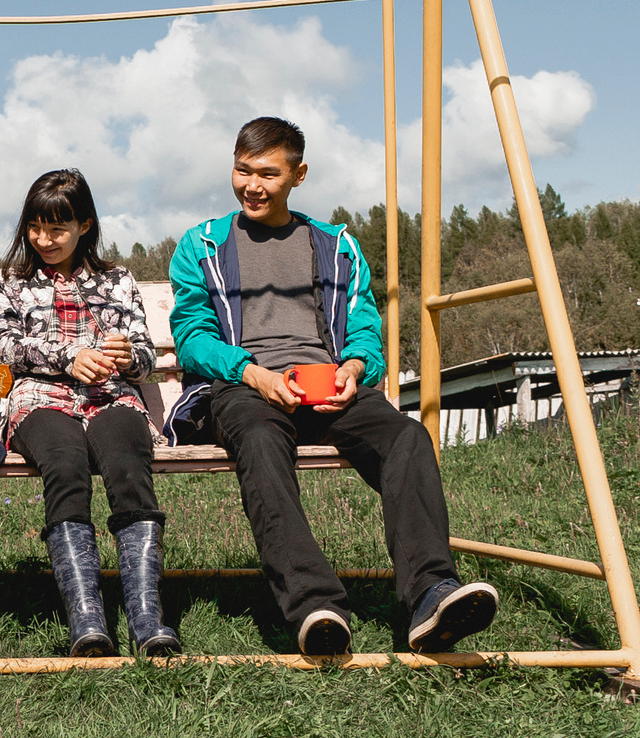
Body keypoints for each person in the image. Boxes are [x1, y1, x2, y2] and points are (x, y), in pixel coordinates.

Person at [166, 116, 497, 656]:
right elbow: (192, 334)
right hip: (246, 385)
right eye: (241, 170)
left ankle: (431, 592)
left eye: (267, 174)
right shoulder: (202, 245)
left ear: (299, 175)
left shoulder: (334, 244)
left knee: (406, 438)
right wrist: (253, 373)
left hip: (328, 385)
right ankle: (314, 605)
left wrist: (355, 369)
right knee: (259, 439)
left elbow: (364, 324)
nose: (251, 185)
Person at [0, 169, 177, 658]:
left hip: (111, 396)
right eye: (35, 227)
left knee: (128, 466)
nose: (44, 240)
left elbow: (145, 354)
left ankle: (146, 616)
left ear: (85, 225)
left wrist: (126, 355)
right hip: (41, 399)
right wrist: (67, 356)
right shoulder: (9, 282)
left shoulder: (116, 280)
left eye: (57, 229)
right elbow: (7, 349)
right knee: (65, 466)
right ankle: (87, 619)